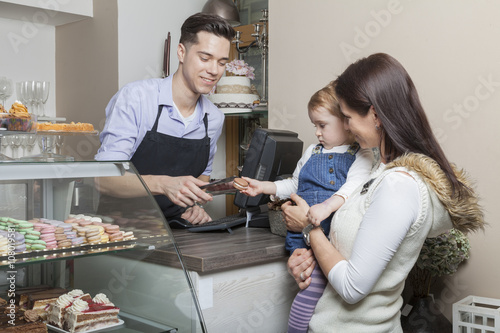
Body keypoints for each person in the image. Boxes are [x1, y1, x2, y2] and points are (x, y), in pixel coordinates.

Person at [284, 53, 484, 332]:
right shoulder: (375, 172)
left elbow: (353, 287)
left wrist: (309, 229)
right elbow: (351, 253)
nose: (346, 126)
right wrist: (308, 259)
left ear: (375, 115)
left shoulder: (398, 186)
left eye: (348, 117)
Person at [239, 81, 373, 333]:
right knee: (308, 285)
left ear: (346, 121)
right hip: (298, 237)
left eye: (323, 125)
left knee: (310, 294)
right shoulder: (312, 151)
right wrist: (263, 187)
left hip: (328, 239)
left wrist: (325, 207)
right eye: (315, 125)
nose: (317, 132)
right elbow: (293, 184)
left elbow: (350, 189)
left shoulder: (361, 156)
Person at [95, 13, 235, 225]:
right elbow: (103, 180)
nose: (214, 71)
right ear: (181, 52)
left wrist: (194, 206)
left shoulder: (214, 118)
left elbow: (202, 179)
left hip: (176, 230)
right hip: (121, 229)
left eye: (222, 63)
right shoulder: (136, 98)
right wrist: (163, 184)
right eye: (205, 58)